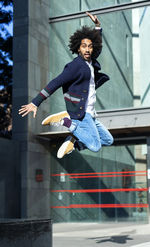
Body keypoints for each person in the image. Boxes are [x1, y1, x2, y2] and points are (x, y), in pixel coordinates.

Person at [19, 12, 113, 158]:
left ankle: (74, 141)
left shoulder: (90, 61)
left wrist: (97, 26)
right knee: (95, 146)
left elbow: (98, 47)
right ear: (78, 48)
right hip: (83, 113)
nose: (87, 49)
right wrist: (35, 102)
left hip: (91, 113)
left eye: (90, 46)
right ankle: (67, 122)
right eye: (83, 46)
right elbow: (56, 82)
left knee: (108, 139)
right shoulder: (74, 66)